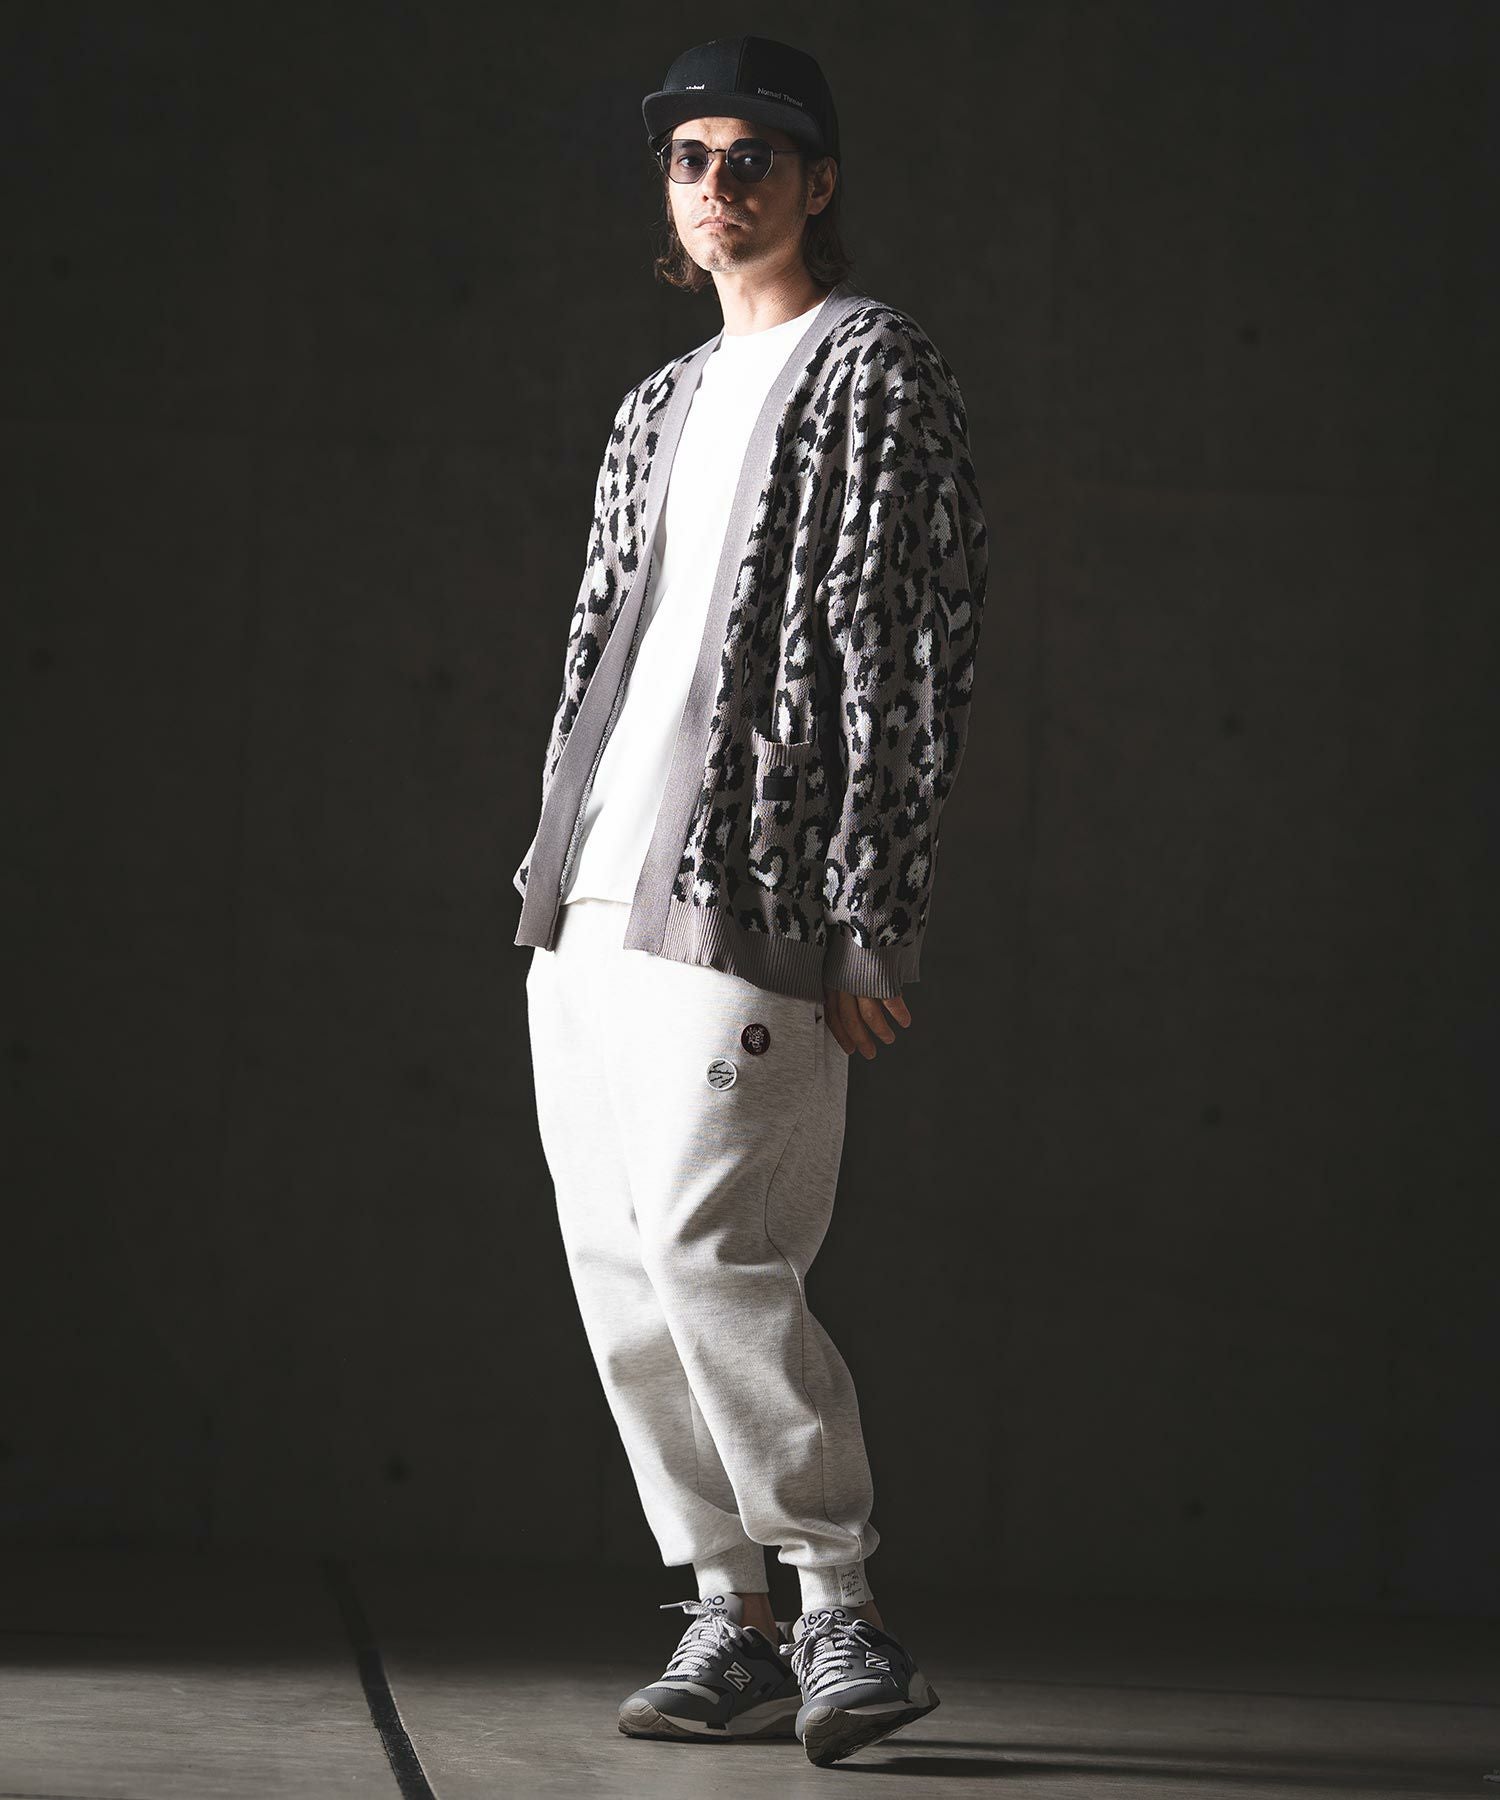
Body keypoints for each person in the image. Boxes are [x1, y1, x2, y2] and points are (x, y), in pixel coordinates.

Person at [513, 33, 988, 1770]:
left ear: (818, 180)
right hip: (593, 896)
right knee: (621, 1267)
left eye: (753, 156)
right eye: (689, 158)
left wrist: (871, 909)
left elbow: (909, 650)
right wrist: (546, 865)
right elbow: (600, 651)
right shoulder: (657, 402)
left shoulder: (876, 370)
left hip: (759, 887)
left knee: (719, 1249)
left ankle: (841, 1604)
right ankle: (730, 1611)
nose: (717, 186)